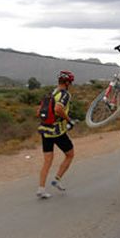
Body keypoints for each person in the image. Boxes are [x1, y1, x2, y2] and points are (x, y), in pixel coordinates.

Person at [36, 70, 76, 199]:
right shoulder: (65, 94)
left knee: (47, 161)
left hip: (45, 130)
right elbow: (58, 109)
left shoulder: (51, 93)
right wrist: (69, 120)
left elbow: (38, 112)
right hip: (57, 131)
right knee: (70, 154)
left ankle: (41, 189)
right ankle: (57, 179)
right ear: (67, 82)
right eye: (70, 82)